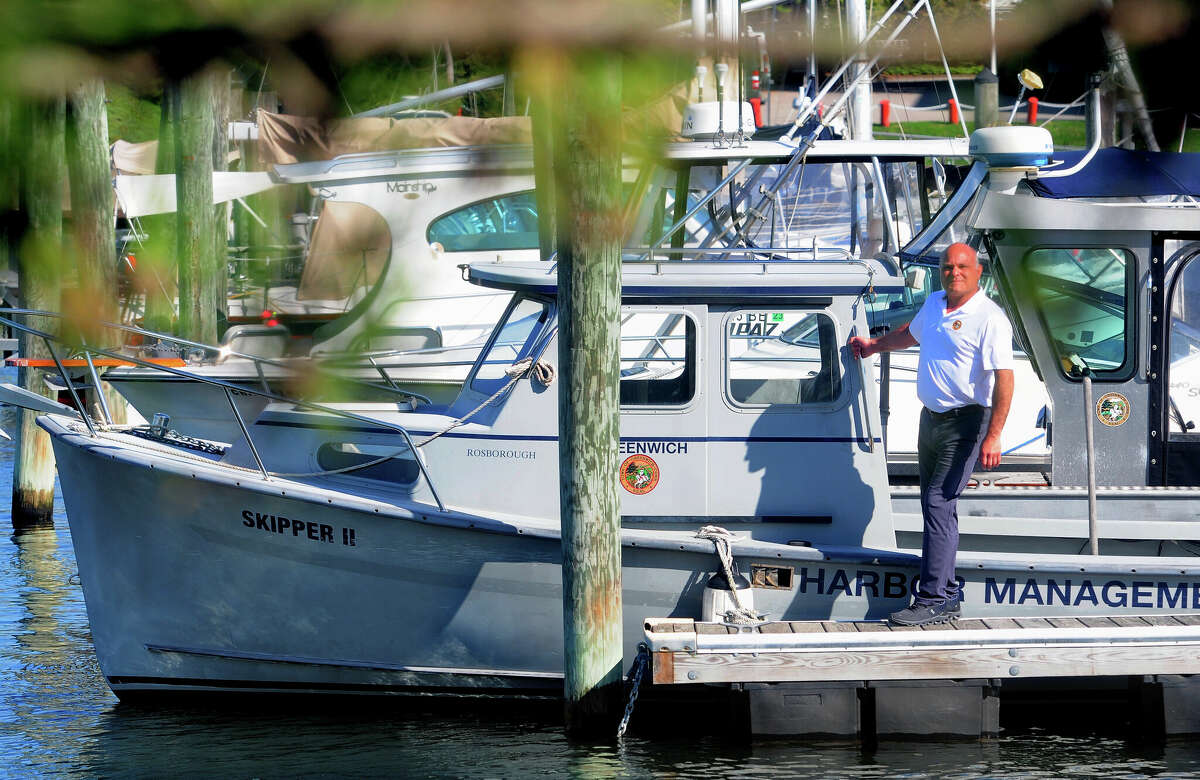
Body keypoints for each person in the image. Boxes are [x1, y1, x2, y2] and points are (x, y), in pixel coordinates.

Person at [848, 243, 1014, 627]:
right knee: (935, 506)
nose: (954, 273)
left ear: (978, 272)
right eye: (947, 267)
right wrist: (875, 345)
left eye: (962, 267)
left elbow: (1005, 378)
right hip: (931, 419)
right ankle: (948, 590)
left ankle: (932, 598)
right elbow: (911, 333)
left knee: (939, 503)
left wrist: (994, 435)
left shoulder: (990, 318)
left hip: (967, 421)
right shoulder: (937, 303)